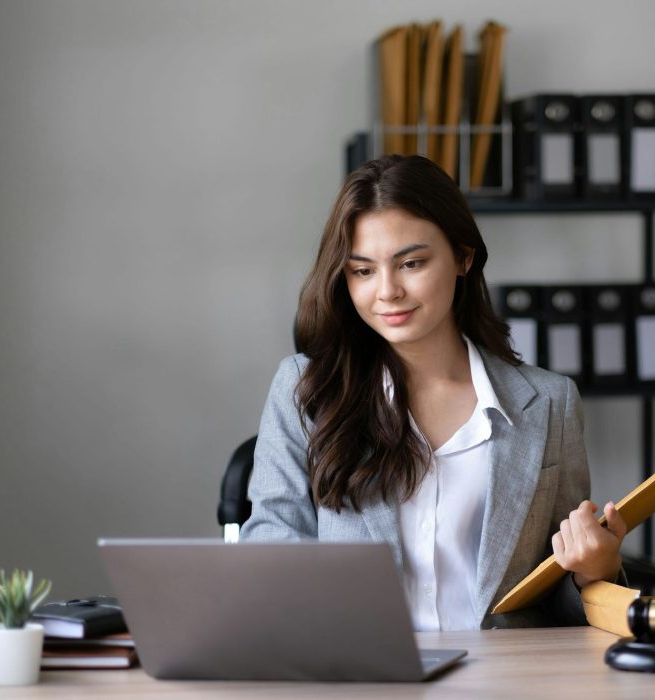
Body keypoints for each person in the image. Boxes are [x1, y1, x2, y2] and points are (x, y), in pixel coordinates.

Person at [241, 154, 626, 630]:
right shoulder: (306, 390)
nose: (387, 292)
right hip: (362, 675)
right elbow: (271, 560)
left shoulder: (549, 403)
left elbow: (555, 602)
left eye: (411, 263)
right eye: (362, 271)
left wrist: (595, 573)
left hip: (506, 678)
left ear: (464, 256)